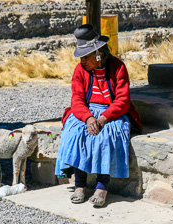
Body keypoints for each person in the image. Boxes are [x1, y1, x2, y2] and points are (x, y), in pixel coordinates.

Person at [55, 24, 142, 207]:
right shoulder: (80, 71)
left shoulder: (118, 67)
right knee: (76, 133)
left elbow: (122, 100)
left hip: (112, 112)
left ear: (98, 54)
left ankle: (102, 186)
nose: (82, 61)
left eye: (86, 57)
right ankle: (80, 185)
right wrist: (88, 118)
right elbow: (77, 99)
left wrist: (103, 119)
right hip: (85, 112)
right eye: (81, 57)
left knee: (107, 136)